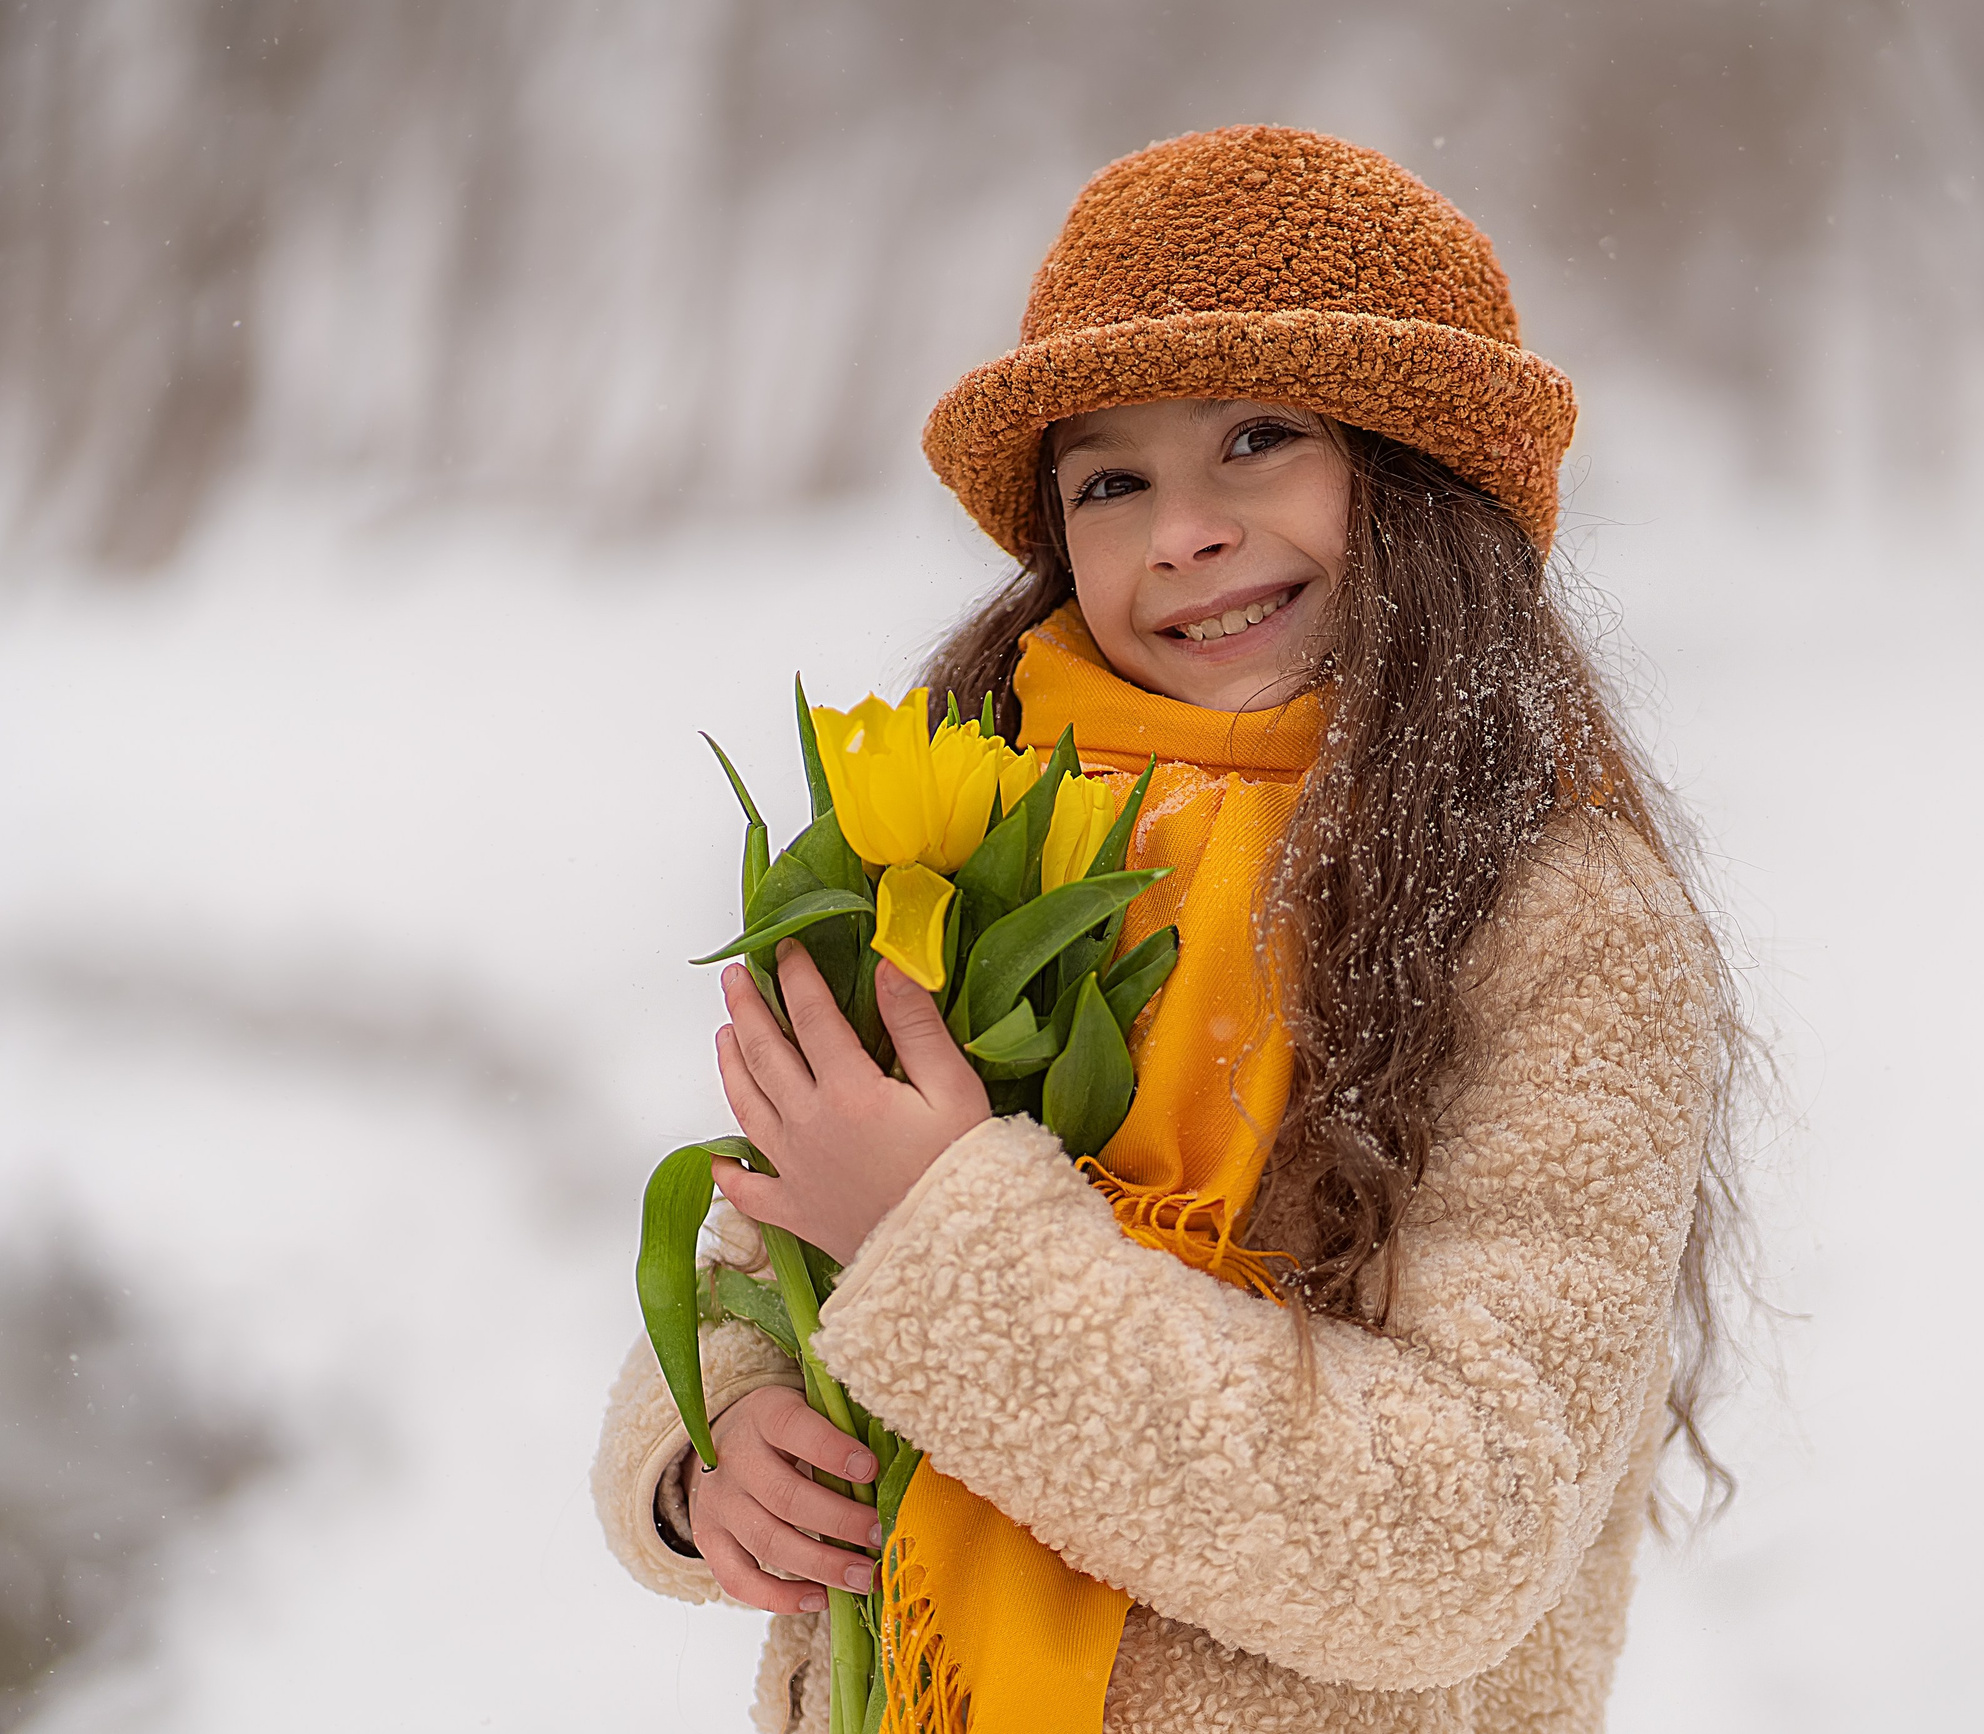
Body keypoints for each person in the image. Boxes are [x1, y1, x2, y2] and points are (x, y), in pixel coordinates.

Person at [593, 124, 1747, 1734]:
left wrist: (946, 1241)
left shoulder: (1554, 921)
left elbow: (1452, 1532)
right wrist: (708, 1445)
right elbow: (762, 1253)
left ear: (1418, 476)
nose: (1178, 533)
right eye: (1110, 478)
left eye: (1258, 438)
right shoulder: (971, 823)